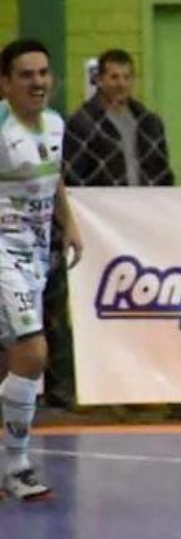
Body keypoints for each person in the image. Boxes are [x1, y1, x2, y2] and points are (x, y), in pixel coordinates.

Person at [0, 39, 84, 501]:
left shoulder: (54, 123)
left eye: (43, 73)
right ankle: (16, 467)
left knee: (11, 360)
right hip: (1, 252)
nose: (37, 82)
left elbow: (54, 177)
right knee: (33, 352)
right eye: (26, 74)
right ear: (6, 83)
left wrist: (68, 222)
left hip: (34, 254)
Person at [64, 49, 174, 187]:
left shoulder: (150, 123)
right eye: (114, 77)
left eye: (126, 77)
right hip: (101, 206)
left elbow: (163, 173)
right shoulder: (81, 124)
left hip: (147, 205)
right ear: (99, 80)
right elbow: (73, 178)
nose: (121, 84)